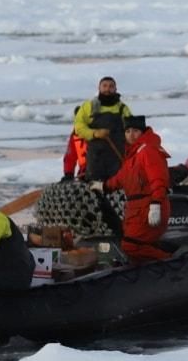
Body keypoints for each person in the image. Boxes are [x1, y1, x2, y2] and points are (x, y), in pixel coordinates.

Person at [101, 115, 170, 264]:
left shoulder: (147, 151)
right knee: (133, 248)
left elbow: (159, 179)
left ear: (143, 132)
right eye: (128, 131)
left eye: (135, 131)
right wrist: (103, 186)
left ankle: (172, 263)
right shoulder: (133, 154)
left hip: (149, 208)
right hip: (135, 211)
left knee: (130, 246)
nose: (131, 135)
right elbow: (121, 178)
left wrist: (156, 203)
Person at [70, 76, 131, 182]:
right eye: (105, 86)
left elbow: (131, 130)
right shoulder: (89, 106)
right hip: (95, 159)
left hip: (117, 157)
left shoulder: (122, 109)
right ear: (99, 88)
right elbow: (78, 127)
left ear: (115, 89)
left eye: (111, 86)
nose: (107, 89)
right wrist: (94, 133)